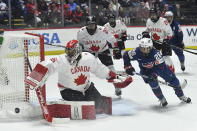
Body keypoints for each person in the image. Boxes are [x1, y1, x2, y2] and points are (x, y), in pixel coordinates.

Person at [25, 40, 132, 116]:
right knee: (86, 110)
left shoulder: (88, 58)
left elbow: (99, 69)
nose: (69, 54)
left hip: (87, 87)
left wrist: (111, 75)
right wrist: (36, 76)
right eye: (68, 51)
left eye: (71, 51)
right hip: (68, 90)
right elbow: (48, 64)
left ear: (77, 51)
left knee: (100, 107)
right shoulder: (62, 60)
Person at [123, 38, 191, 107]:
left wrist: (154, 75)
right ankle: (161, 98)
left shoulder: (156, 55)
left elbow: (161, 67)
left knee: (173, 80)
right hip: (146, 70)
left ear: (150, 48)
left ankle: (181, 96)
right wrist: (128, 66)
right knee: (153, 84)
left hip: (160, 68)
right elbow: (126, 55)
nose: (143, 50)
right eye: (141, 48)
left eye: (145, 48)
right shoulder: (136, 52)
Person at [77, 15, 123, 97]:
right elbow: (80, 44)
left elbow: (112, 39)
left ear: (96, 24)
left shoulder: (103, 30)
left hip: (103, 50)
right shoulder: (81, 32)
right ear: (86, 25)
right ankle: (82, 88)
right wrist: (80, 49)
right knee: (83, 70)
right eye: (89, 25)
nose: (91, 27)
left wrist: (116, 49)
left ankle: (117, 86)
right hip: (89, 52)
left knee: (111, 69)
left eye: (92, 24)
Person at [144, 8, 175, 73]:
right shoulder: (149, 21)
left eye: (154, 15)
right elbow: (147, 29)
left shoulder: (164, 21)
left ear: (157, 14)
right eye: (151, 15)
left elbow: (170, 33)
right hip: (155, 42)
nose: (152, 16)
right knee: (154, 57)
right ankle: (154, 72)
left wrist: (166, 40)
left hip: (164, 42)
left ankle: (172, 72)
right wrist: (145, 33)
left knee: (166, 57)